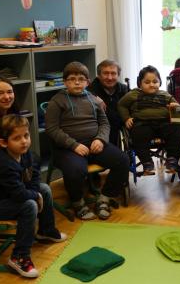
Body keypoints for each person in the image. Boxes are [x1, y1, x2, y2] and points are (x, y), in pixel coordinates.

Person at [0, 114, 67, 278]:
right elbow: (19, 194)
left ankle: (46, 230)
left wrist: (36, 192)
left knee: (44, 188)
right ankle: (19, 257)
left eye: (26, 136)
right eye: (17, 138)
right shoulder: (3, 164)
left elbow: (35, 177)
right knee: (30, 205)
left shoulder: (28, 154)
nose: (24, 141)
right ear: (3, 143)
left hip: (6, 196)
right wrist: (34, 195)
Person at [45, 61, 129, 221]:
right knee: (76, 169)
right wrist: (74, 145)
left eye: (81, 79)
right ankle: (78, 202)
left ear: (87, 82)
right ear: (64, 82)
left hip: (93, 144)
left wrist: (100, 139)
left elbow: (104, 123)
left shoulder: (93, 99)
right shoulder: (56, 101)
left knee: (123, 160)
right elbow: (52, 129)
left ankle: (105, 198)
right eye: (71, 79)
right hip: (67, 148)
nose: (77, 82)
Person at [118, 65, 180, 175]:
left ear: (160, 82)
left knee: (177, 129)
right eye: (147, 82)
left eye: (155, 81)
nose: (152, 84)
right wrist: (126, 118)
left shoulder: (165, 95)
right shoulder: (133, 94)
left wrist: (175, 106)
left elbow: (178, 109)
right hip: (143, 125)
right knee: (137, 134)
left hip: (164, 124)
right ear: (140, 83)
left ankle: (172, 160)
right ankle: (147, 163)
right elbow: (121, 105)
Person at [88, 59, 129, 147]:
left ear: (118, 75)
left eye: (113, 73)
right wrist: (94, 97)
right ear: (98, 75)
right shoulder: (89, 91)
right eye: (106, 73)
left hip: (119, 126)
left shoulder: (124, 89)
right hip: (99, 129)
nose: (110, 78)